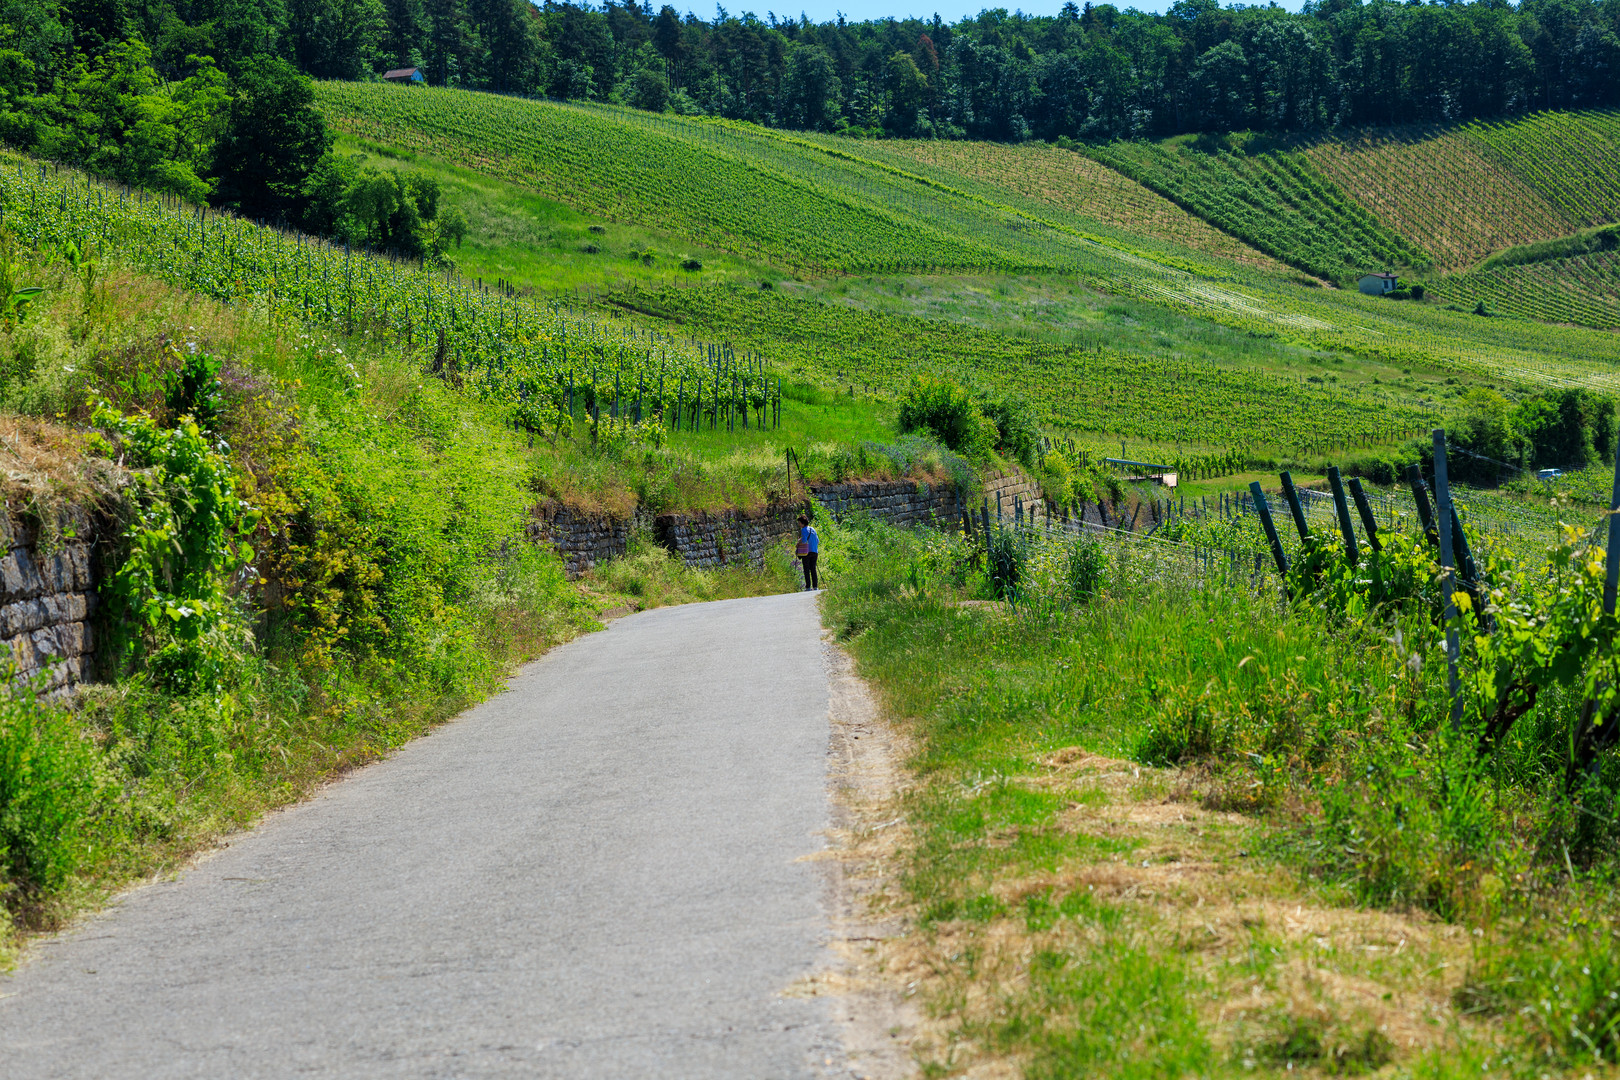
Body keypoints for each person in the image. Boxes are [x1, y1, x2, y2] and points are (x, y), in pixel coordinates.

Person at [796, 514, 819, 591]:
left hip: (806, 552)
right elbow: (817, 541)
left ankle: (808, 587)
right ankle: (815, 586)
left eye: (799, 523)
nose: (799, 525)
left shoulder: (803, 530)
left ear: (802, 523)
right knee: (813, 569)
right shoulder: (813, 529)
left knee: (806, 569)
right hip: (815, 551)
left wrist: (798, 543)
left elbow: (804, 540)